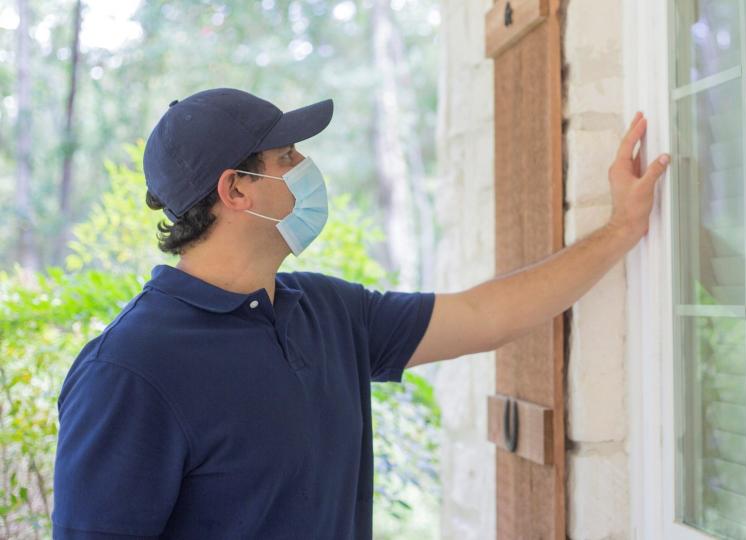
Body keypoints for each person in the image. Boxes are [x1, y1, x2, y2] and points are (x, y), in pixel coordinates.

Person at [51, 87, 670, 539]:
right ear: (235, 190)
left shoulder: (325, 310)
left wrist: (620, 230)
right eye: (288, 156)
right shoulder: (130, 370)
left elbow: (485, 314)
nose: (307, 170)